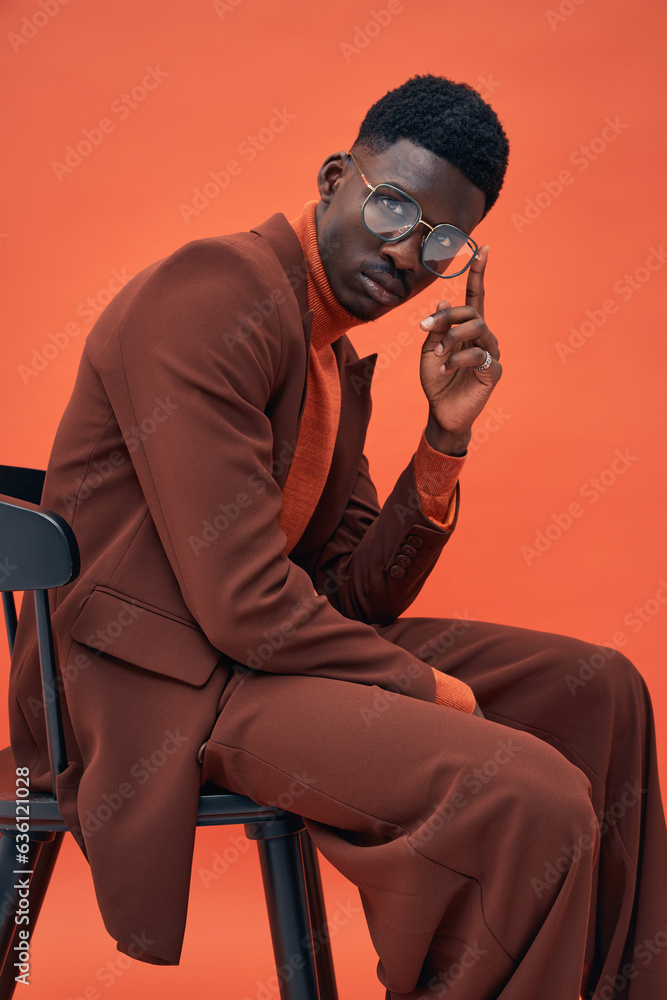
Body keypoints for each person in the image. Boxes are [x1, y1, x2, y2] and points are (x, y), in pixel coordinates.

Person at [8, 75, 666, 999]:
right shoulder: (214, 293)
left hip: (254, 660)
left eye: (439, 240)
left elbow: (353, 598)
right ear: (332, 180)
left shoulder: (328, 360)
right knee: (529, 795)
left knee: (598, 690)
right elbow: (243, 605)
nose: (405, 252)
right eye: (391, 203)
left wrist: (443, 438)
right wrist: (427, 689)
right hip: (162, 682)